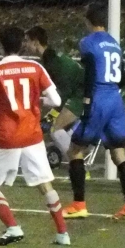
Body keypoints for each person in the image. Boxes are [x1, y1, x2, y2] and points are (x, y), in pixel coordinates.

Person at [0, 25, 69, 246]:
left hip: (8, 137)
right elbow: (56, 100)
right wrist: (38, 100)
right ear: (22, 45)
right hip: (32, 135)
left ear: (1, 46)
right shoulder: (35, 67)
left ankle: (13, 228)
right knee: (45, 184)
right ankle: (63, 234)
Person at [65, 4, 125, 221]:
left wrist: (87, 101)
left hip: (98, 98)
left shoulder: (87, 42)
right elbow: (122, 79)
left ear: (88, 22)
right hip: (115, 99)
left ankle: (79, 204)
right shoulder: (115, 44)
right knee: (119, 153)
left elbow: (89, 74)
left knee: (74, 150)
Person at [23, 26, 85, 161]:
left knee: (56, 130)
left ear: (36, 42)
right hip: (78, 94)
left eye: (27, 41)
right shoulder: (50, 57)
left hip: (81, 95)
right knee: (56, 130)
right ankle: (76, 162)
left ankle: (78, 165)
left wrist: (51, 115)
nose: (25, 44)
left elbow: (64, 93)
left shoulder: (52, 61)